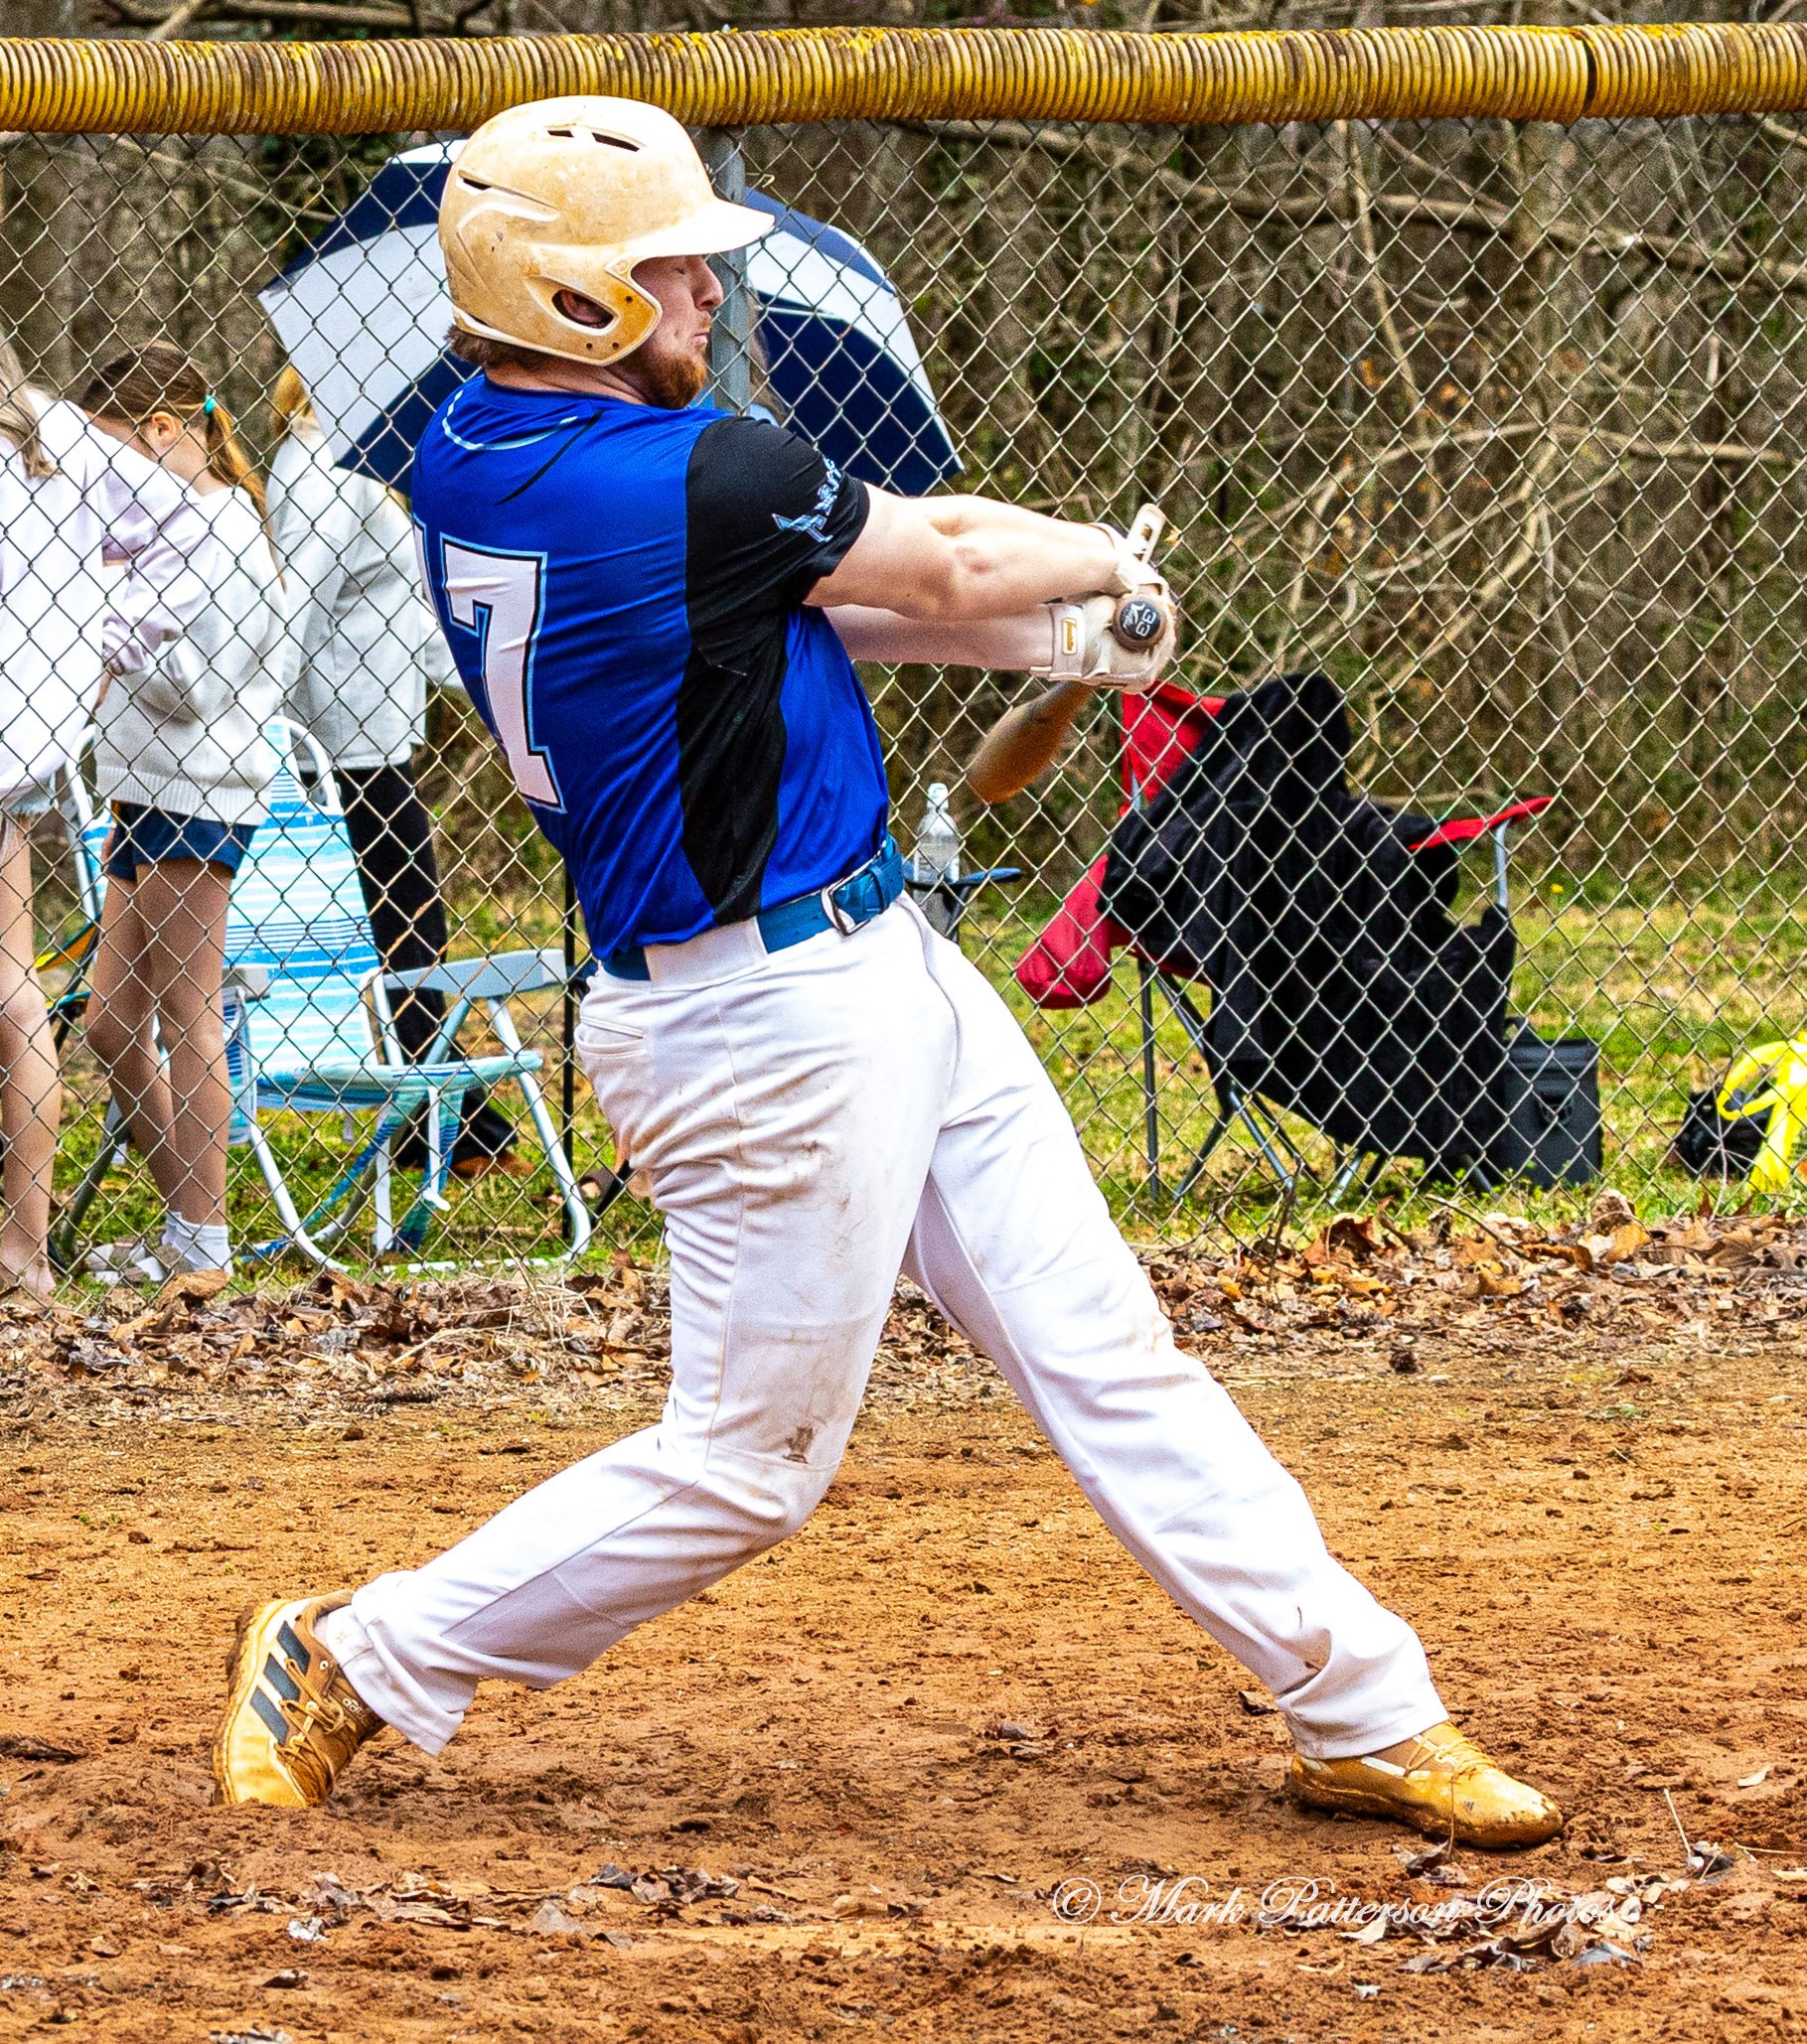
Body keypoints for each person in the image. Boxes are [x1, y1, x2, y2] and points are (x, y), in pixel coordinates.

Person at [213, 98, 1562, 1850]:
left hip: (875, 967)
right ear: (564, 303)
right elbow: (935, 557)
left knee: (1103, 1347)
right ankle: (352, 1650)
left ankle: (1362, 1703)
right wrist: (1102, 570)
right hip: (755, 1022)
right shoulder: (689, 471)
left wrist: (1039, 637)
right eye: (664, 273)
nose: (702, 295)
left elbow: (800, 608)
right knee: (744, 1466)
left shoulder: (476, 449)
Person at [0, 333, 221, 1303]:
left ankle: (174, 1245)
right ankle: (64, 1251)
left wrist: (99, 639)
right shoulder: (64, 452)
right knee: (58, 1008)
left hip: (160, 781)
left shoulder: (71, 442)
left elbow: (192, 572)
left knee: (148, 1011)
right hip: (81, 767)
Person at [265, 367, 523, 1180]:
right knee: (405, 926)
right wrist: (263, 725)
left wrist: (500, 673)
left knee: (407, 925)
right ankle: (445, 1116)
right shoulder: (316, 472)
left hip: (378, 735)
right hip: (344, 747)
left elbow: (405, 613)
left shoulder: (359, 470)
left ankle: (441, 1117)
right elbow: (292, 606)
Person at [76, 345, 285, 1281]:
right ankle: (187, 1227)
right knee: (111, 1026)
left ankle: (203, 1250)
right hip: (140, 787)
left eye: (113, 453)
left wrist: (105, 634)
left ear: (164, 431)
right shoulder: (168, 532)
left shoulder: (224, 530)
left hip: (197, 790)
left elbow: (199, 685)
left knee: (184, 1013)